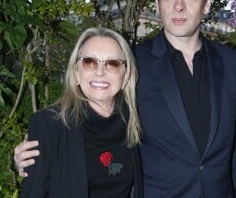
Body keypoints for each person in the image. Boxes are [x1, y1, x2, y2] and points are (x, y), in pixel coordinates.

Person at [14, 0, 236, 197]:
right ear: (158, 1)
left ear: (207, 2)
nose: (179, 6)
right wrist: (36, 155)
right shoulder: (131, 64)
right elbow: (91, 118)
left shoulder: (233, 64)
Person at [18, 27, 143, 198]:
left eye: (112, 63)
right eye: (89, 61)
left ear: (126, 75)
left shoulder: (134, 120)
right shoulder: (48, 125)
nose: (100, 72)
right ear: (76, 72)